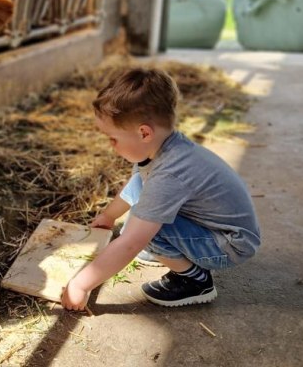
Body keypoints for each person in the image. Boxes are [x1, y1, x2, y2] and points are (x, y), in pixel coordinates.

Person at [61, 67, 260, 310]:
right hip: (218, 229)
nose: (110, 145)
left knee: (144, 228)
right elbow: (136, 184)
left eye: (112, 138)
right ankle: (173, 251)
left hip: (229, 245)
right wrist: (108, 216)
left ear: (144, 133)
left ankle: (195, 281)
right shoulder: (161, 147)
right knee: (142, 217)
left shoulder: (170, 173)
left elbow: (131, 243)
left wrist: (80, 285)